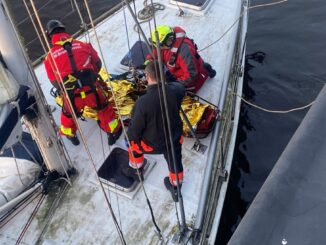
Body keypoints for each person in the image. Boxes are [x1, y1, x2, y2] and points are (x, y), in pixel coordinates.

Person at [44, 19, 122, 146]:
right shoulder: (83, 45)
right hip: (93, 91)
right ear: (64, 30)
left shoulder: (49, 57)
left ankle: (70, 135)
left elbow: (54, 81)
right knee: (104, 109)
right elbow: (98, 64)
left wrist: (65, 88)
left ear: (49, 36)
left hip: (72, 97)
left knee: (68, 115)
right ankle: (112, 132)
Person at [123, 61, 185, 202]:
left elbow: (135, 132)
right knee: (175, 160)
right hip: (173, 141)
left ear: (147, 76)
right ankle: (176, 187)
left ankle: (137, 170)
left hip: (152, 146)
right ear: (164, 75)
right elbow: (179, 86)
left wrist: (129, 138)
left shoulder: (141, 103)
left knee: (131, 142)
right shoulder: (175, 92)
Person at [146, 25, 216, 93]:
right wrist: (149, 61)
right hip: (180, 67)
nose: (159, 48)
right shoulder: (166, 43)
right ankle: (205, 66)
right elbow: (156, 51)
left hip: (187, 76)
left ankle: (207, 69)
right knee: (200, 63)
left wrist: (174, 85)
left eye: (160, 46)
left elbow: (191, 74)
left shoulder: (184, 52)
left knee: (201, 67)